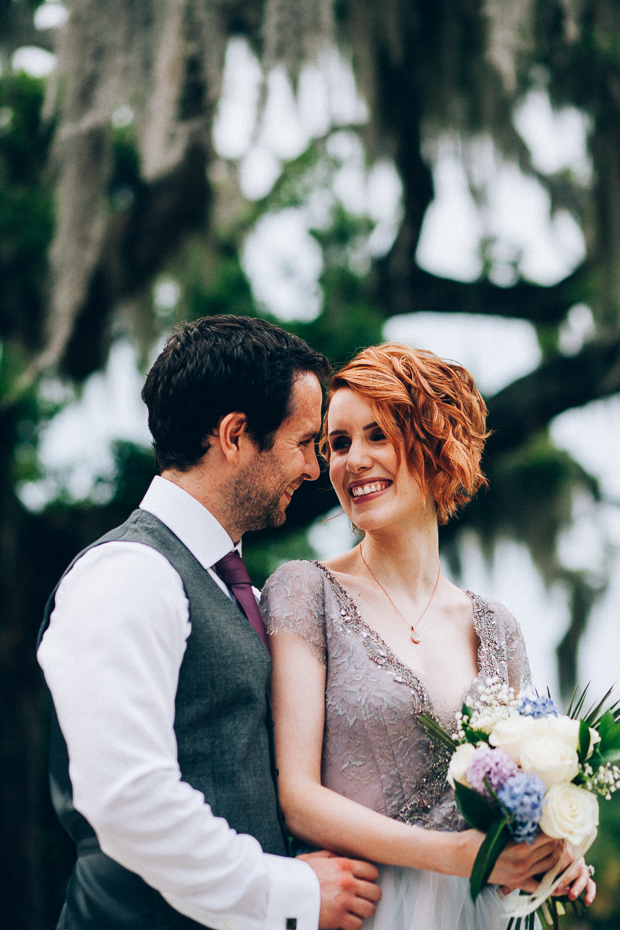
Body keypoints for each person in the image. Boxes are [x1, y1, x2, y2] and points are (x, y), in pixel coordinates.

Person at [37, 315, 381, 930]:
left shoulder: (233, 582)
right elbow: (127, 800)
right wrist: (292, 892)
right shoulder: (127, 575)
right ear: (234, 435)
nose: (313, 470)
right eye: (306, 442)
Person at [261, 342, 596, 930]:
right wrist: (454, 857)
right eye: (337, 443)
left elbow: (514, 801)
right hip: (365, 910)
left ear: (435, 446)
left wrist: (555, 851)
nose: (353, 460)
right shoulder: (302, 591)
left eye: (376, 435)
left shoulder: (498, 627)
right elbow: (297, 797)